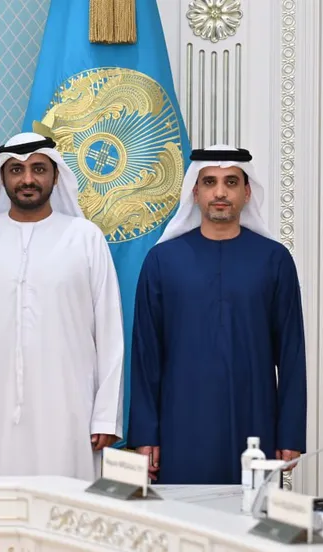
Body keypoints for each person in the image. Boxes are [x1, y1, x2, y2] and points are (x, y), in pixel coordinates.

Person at [0, 132, 124, 480]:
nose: (27, 179)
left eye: (38, 169)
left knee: (67, 502)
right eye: (16, 170)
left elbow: (110, 334)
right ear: (2, 177)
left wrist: (105, 416)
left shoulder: (85, 238)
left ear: (56, 175)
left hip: (69, 410)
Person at [128, 145, 306, 484]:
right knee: (183, 513)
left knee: (252, 512)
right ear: (195, 192)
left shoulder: (274, 260)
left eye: (231, 182)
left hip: (255, 421)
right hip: (180, 422)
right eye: (209, 182)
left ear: (247, 192)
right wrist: (145, 434)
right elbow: (146, 354)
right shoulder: (162, 261)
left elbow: (291, 354)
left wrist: (290, 435)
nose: (220, 192)